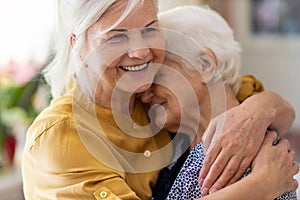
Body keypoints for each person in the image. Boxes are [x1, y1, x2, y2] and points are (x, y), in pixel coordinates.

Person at [21, 1, 296, 199]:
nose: (141, 53)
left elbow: (251, 98)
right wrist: (261, 187)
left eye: (150, 29)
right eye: (116, 36)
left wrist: (261, 109)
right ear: (78, 46)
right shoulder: (60, 139)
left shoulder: (144, 99)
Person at [142, 5, 298, 199]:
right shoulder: (176, 146)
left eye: (157, 75)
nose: (144, 95)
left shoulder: (249, 155)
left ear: (204, 65)